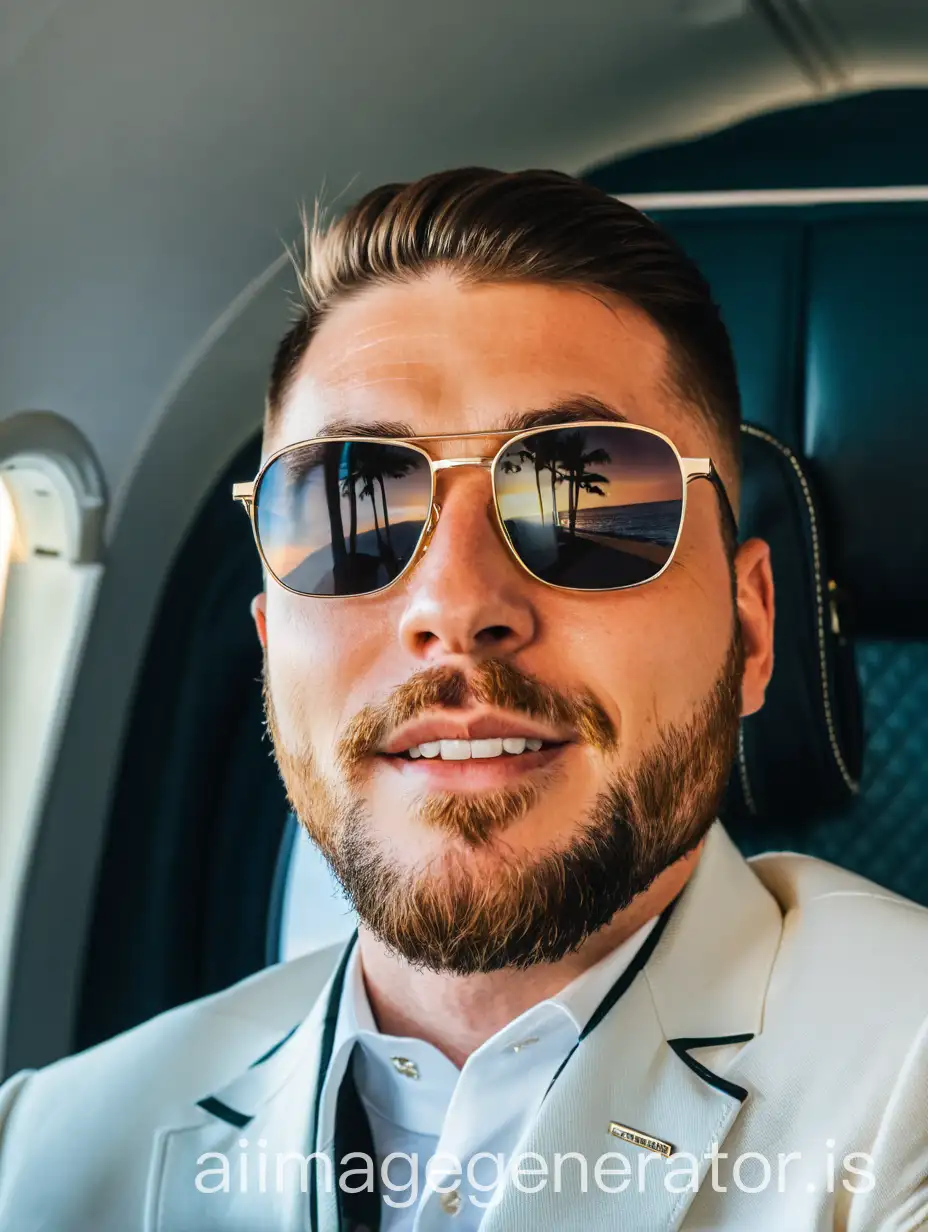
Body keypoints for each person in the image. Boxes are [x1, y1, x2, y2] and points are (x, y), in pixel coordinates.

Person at [1, 168, 926, 1232]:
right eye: (352, 509)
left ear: (750, 627)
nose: (452, 605)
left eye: (586, 499)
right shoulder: (43, 1149)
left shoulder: (906, 1078)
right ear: (269, 645)